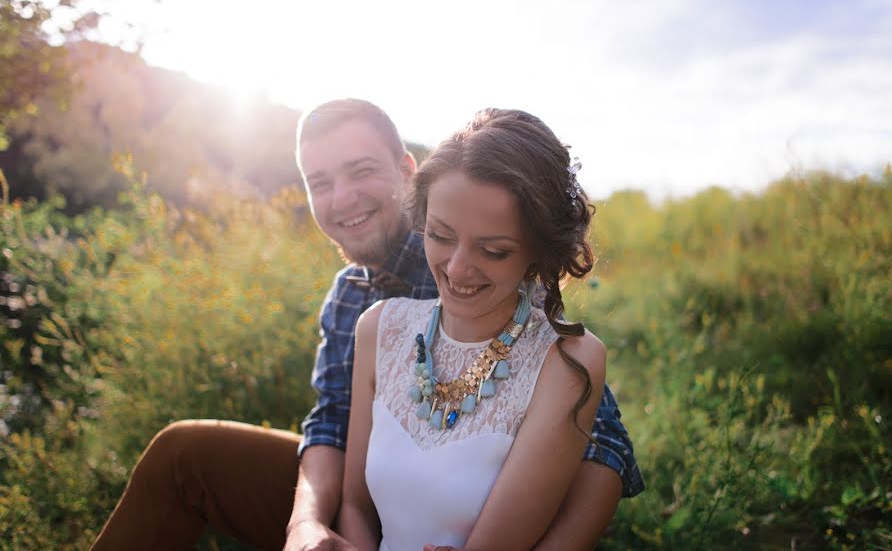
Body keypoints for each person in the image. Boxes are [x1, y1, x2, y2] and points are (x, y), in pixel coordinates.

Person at [91, 100, 643, 551]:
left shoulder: (499, 280)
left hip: (480, 519)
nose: (343, 199)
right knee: (185, 452)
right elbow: (330, 420)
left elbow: (605, 447)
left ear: (406, 174)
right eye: (320, 182)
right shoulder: (352, 301)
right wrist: (305, 522)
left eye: (361, 172)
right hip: (378, 504)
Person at [339, 107, 616, 551]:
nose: (457, 268)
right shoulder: (379, 328)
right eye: (441, 236)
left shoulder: (568, 362)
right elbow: (353, 507)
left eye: (493, 250)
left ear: (539, 252)